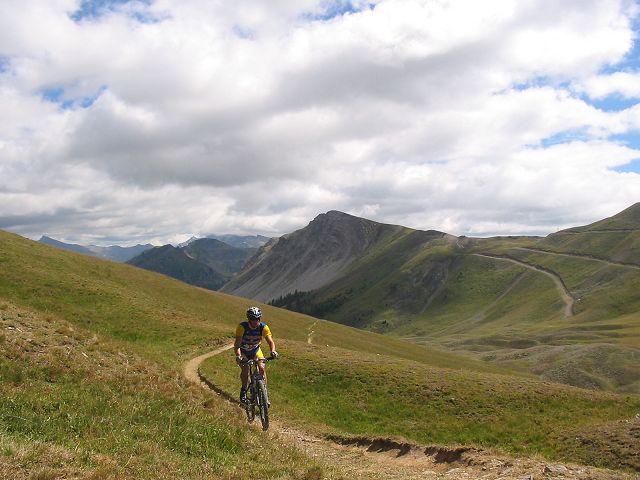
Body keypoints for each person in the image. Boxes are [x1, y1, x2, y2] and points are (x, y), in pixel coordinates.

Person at [235, 306, 278, 404]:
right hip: (243, 351)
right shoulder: (242, 327)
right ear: (249, 319)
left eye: (258, 319)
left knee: (262, 367)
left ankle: (264, 394)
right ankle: (243, 390)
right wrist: (238, 356)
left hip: (255, 350)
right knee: (245, 370)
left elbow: (270, 341)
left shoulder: (263, 327)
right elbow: (237, 344)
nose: (255, 321)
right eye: (253, 319)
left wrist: (273, 351)